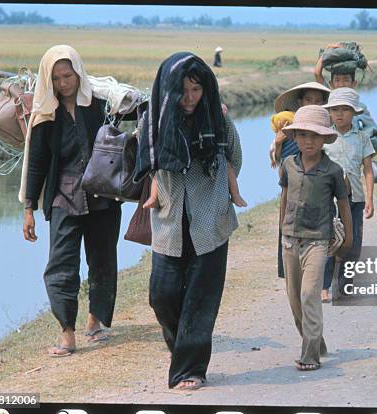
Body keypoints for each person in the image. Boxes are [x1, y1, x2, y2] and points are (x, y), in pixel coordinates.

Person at [134, 52, 242, 390]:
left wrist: (222, 185)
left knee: (201, 298)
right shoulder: (152, 123)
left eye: (197, 90)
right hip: (169, 222)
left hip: (210, 220)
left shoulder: (218, 120)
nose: (191, 99)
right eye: (183, 91)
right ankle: (184, 349)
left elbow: (234, 158)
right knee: (161, 295)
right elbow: (147, 161)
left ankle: (191, 369)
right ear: (168, 89)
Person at [20, 45, 122, 357]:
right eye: (57, 78)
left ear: (78, 72)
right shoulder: (44, 116)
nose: (64, 83)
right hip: (63, 197)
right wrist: (29, 210)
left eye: (69, 75)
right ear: (48, 80)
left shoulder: (100, 107)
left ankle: (95, 319)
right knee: (61, 266)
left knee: (102, 259)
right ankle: (67, 333)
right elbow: (36, 164)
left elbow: (123, 140)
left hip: (102, 196)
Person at [279, 104, 352, 371]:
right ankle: (315, 339)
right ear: (295, 137)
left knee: (310, 293)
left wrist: (349, 238)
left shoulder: (333, 171)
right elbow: (284, 198)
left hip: (318, 241)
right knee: (294, 299)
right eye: (303, 135)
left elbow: (343, 205)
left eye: (315, 136)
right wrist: (281, 230)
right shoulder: (288, 165)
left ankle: (310, 353)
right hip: (289, 239)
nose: (308, 141)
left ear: (324, 139)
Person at [269, 81, 331, 280]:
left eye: (318, 101)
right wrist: (278, 144)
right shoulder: (288, 126)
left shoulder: (326, 127)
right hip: (292, 187)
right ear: (300, 102)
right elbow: (277, 161)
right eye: (308, 100)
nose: (313, 103)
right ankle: (292, 273)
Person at [322, 88, 375, 300]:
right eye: (335, 110)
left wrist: (370, 199)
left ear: (354, 113)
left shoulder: (362, 138)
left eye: (345, 109)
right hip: (329, 200)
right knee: (328, 241)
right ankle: (324, 287)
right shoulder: (325, 137)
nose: (340, 114)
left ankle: (345, 284)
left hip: (355, 199)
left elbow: (368, 170)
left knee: (352, 242)